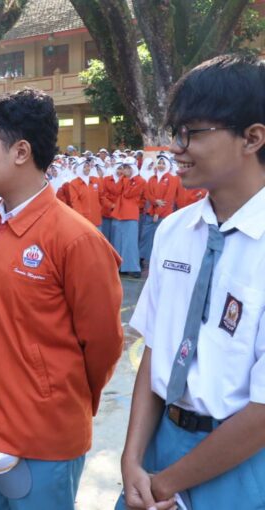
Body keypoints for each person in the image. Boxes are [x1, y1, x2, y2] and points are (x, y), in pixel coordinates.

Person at [0, 89, 123, 509]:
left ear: (20, 151)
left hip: (41, 439)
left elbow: (102, 345)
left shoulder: (75, 239)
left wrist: (53, 396)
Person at [117, 54, 265, 510]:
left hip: (238, 461)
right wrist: (132, 459)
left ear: (252, 138)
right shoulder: (175, 232)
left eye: (192, 133)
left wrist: (164, 486)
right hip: (160, 443)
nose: (177, 148)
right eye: (174, 133)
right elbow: (158, 351)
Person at [139, 153, 181, 264]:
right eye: (159, 163)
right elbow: (148, 193)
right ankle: (143, 258)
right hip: (150, 212)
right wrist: (155, 201)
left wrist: (158, 212)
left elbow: (169, 198)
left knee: (162, 237)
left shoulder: (172, 179)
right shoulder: (152, 178)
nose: (161, 165)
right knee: (146, 236)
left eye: (163, 163)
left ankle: (161, 260)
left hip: (164, 214)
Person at [111, 158, 146, 278]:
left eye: (127, 167)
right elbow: (116, 191)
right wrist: (122, 178)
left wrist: (125, 180)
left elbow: (128, 193)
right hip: (119, 213)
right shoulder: (124, 179)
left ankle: (133, 267)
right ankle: (121, 266)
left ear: (132, 168)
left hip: (130, 213)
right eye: (123, 167)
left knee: (130, 242)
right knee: (119, 241)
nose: (124, 170)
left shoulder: (140, 180)